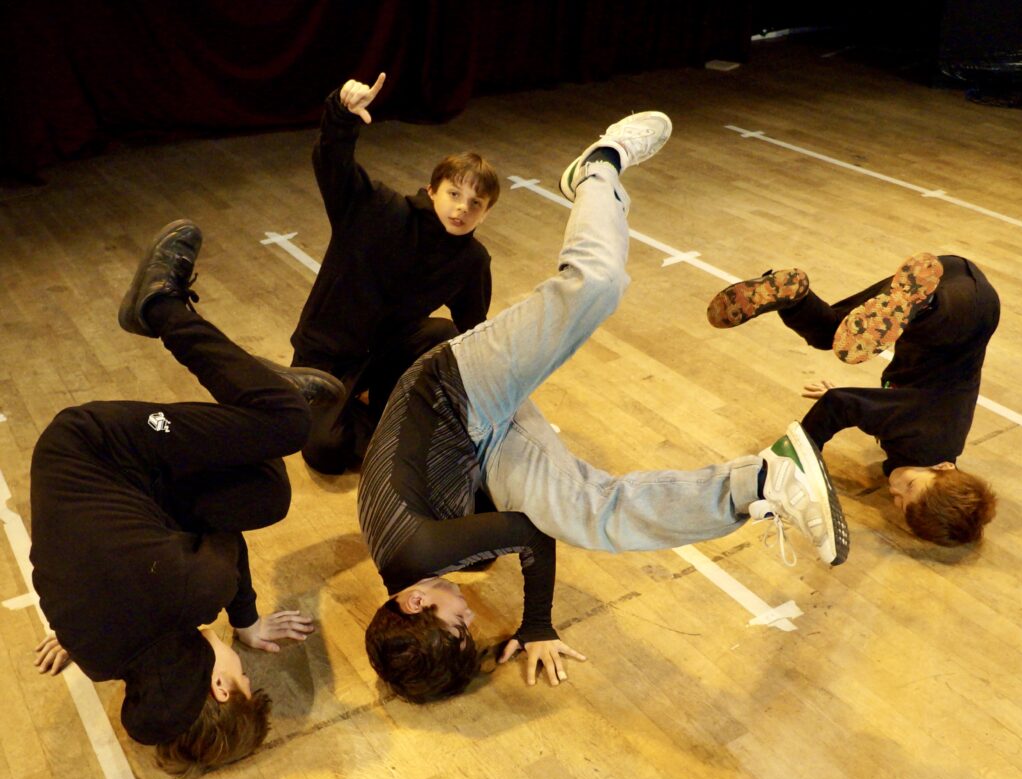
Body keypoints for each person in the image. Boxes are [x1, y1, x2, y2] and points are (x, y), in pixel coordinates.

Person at [357, 112, 849, 704]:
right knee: (591, 513)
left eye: (455, 620)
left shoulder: (420, 553)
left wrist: (536, 621)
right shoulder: (413, 564)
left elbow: (530, 537)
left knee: (595, 284)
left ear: (413, 602)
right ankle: (764, 479)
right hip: (477, 445)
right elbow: (520, 528)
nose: (468, 613)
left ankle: (597, 167)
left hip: (455, 384)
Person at [30, 220, 336, 779]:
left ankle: (160, 307)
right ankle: (255, 391)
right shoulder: (96, 658)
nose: (242, 669)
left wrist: (244, 621)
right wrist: (69, 633)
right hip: (123, 497)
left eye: (241, 677)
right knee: (265, 493)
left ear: (220, 688)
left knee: (287, 425)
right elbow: (73, 586)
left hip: (96, 443)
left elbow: (227, 540)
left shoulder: (196, 593)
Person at [706, 252, 999, 545]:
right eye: (909, 485)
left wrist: (864, 400)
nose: (895, 486)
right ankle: (925, 306)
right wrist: (797, 462)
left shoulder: (931, 448)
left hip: (952, 275)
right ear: (944, 468)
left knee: (835, 332)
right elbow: (838, 405)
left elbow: (892, 408)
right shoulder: (924, 440)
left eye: (898, 500)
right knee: (937, 322)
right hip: (964, 312)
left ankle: (792, 297)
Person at [290, 72, 500, 474]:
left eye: (476, 203)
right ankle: (402, 431)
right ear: (432, 190)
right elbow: (332, 162)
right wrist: (341, 113)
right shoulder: (379, 211)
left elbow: (474, 329)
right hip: (328, 352)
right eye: (454, 194)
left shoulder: (472, 259)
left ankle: (390, 411)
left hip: (384, 353)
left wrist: (498, 394)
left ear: (486, 213)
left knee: (441, 334)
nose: (462, 209)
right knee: (324, 450)